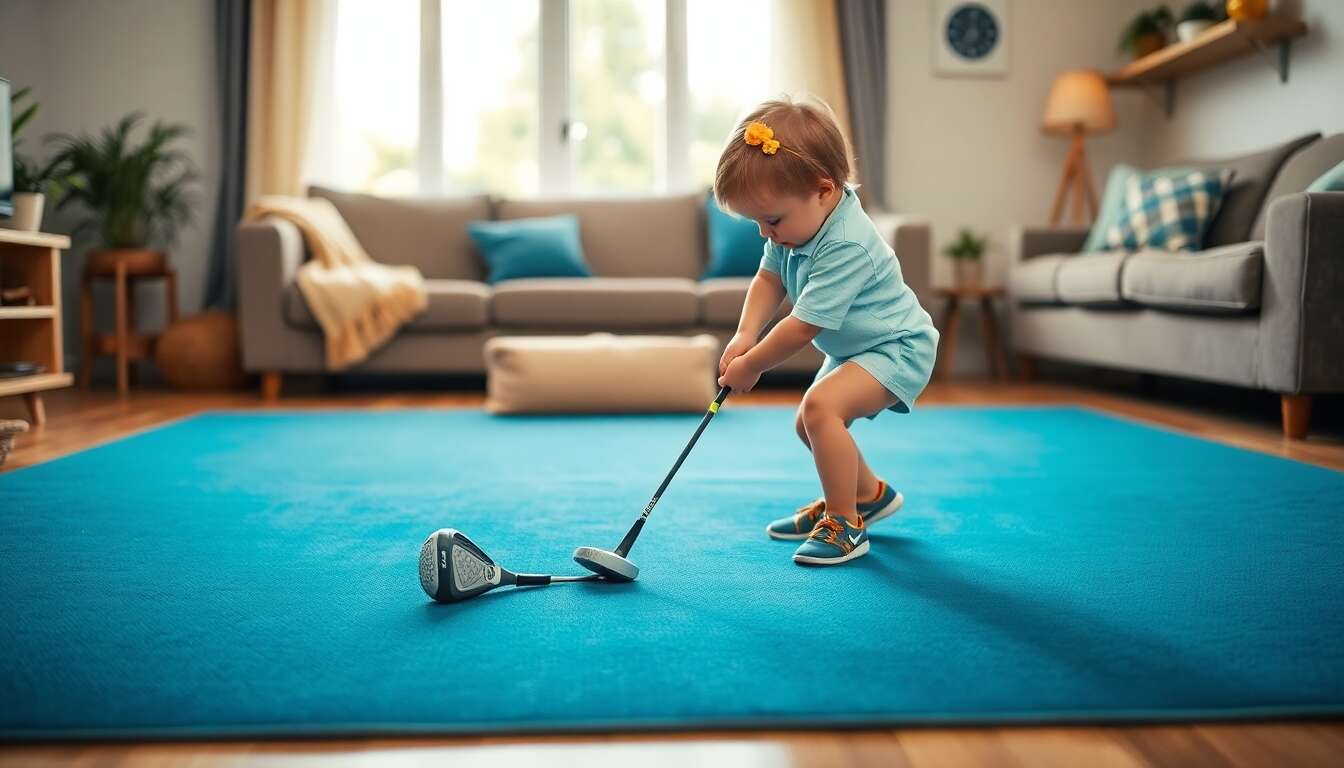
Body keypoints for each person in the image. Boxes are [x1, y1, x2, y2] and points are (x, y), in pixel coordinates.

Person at [714, 95, 939, 566]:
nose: (764, 233)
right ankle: (869, 494)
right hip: (856, 348)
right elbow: (768, 278)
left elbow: (801, 327)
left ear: (824, 188)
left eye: (771, 219)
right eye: (757, 221)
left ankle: (846, 522)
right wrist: (744, 336)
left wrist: (752, 365)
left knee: (820, 409)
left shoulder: (847, 244)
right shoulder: (794, 228)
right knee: (808, 424)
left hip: (896, 346)